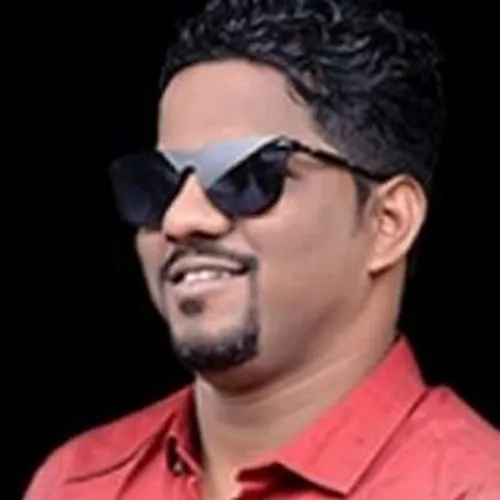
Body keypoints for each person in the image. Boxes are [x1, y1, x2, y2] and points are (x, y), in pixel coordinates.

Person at [24, 0, 500, 498]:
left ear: (388, 222)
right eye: (157, 183)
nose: (180, 219)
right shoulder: (76, 483)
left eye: (245, 174)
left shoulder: (469, 487)